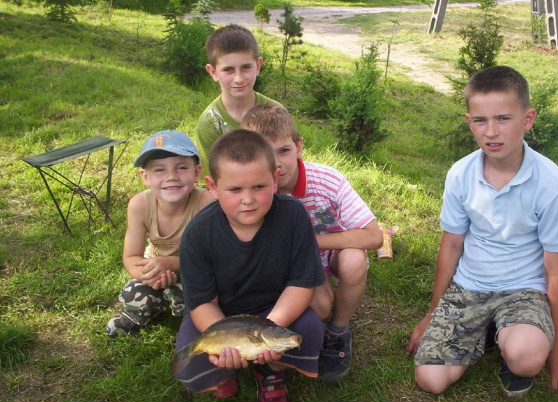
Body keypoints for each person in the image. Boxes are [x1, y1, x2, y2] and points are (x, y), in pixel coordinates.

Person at [407, 65, 558, 397]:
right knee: (430, 380)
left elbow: (556, 272)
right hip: (469, 286)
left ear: (527, 119)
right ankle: (487, 332)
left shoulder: (553, 185)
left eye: (503, 118)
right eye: (481, 121)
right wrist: (433, 311)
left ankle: (513, 338)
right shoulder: (460, 174)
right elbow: (451, 246)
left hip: (523, 290)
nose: (491, 132)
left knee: (526, 359)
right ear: (470, 122)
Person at [175, 129, 326, 402]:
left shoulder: (293, 216)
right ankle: (228, 369)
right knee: (191, 362)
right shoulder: (197, 234)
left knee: (311, 332)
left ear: (275, 178)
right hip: (221, 318)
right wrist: (227, 347)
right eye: (234, 190)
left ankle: (271, 370)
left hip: (275, 307)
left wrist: (269, 331)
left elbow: (302, 285)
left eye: (259, 187)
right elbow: (202, 303)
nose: (248, 199)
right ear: (212, 186)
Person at [240, 104, 384, 383]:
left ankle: (338, 332)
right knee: (319, 306)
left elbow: (374, 236)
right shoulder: (249, 191)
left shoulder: (327, 181)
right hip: (285, 262)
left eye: (284, 151)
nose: (278, 164)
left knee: (354, 261)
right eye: (266, 154)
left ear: (299, 146)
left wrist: (314, 242)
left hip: (325, 253)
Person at [105, 130, 213, 338]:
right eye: (159, 170)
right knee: (132, 294)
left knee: (204, 294)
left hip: (198, 271)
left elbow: (216, 257)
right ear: (145, 177)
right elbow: (131, 257)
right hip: (156, 267)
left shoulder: (206, 204)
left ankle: (195, 317)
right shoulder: (139, 205)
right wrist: (151, 276)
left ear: (196, 172)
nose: (171, 177)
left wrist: (173, 263)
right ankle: (136, 315)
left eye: (182, 168)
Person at [195, 23, 282, 179]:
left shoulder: (276, 112)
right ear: (213, 72)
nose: (238, 79)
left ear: (258, 66)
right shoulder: (209, 125)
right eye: (228, 70)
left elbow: (290, 164)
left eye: (246, 67)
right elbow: (212, 183)